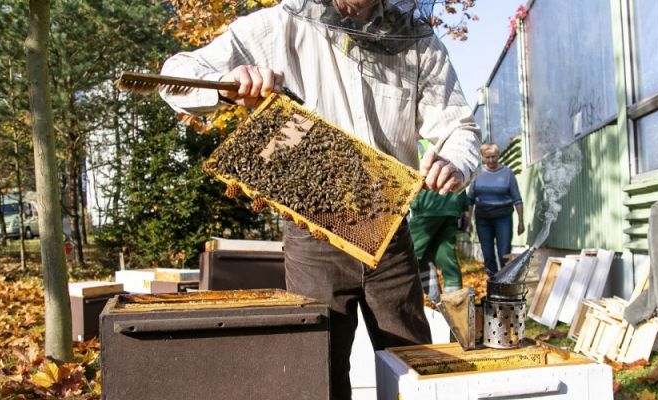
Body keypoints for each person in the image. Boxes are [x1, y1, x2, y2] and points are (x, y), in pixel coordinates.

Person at [159, 1, 481, 397]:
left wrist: (455, 160)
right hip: (313, 232)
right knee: (318, 370)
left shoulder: (416, 42)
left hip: (389, 231)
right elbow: (175, 75)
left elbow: (459, 127)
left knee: (414, 365)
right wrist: (229, 81)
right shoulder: (280, 25)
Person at [410, 139, 468, 301]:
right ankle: (454, 305)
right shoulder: (448, 137)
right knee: (446, 256)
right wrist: (463, 209)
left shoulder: (418, 143)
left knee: (410, 254)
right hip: (451, 205)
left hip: (428, 207)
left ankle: (430, 299)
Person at [467, 143, 524, 275]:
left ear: (498, 155)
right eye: (488, 157)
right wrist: (468, 222)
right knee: (488, 255)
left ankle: (505, 281)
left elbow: (517, 199)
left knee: (504, 253)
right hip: (483, 220)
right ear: (482, 157)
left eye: (493, 156)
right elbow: (470, 200)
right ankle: (492, 283)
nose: (491, 160)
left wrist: (521, 221)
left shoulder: (508, 173)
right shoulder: (477, 174)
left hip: (503, 219)